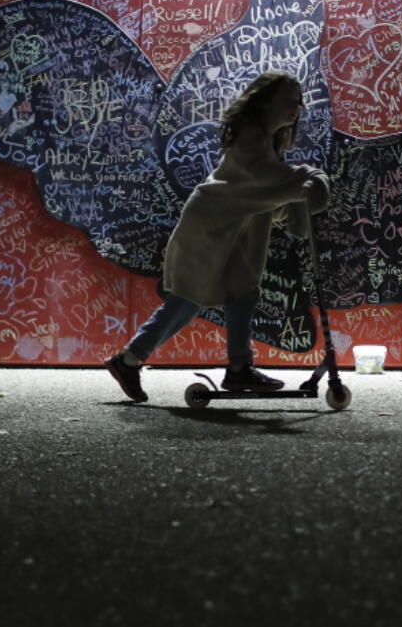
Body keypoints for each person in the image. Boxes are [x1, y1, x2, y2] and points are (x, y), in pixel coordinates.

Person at [106, 71, 329, 402]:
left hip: (228, 229)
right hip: (208, 228)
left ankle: (238, 369)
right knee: (185, 301)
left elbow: (265, 189)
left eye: (299, 102)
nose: (297, 108)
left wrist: (296, 190)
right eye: (288, 101)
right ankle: (128, 360)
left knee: (242, 293)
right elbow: (263, 179)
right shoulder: (251, 137)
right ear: (266, 102)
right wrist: (307, 179)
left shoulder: (262, 139)